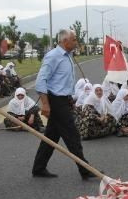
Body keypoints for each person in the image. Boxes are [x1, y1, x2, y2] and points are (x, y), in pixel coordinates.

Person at [32, 29, 94, 180]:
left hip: (63, 100)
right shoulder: (53, 56)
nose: (76, 42)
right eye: (74, 39)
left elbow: (63, 82)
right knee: (72, 135)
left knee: (51, 136)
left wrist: (69, 100)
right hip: (55, 101)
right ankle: (85, 170)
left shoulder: (67, 56)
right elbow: (40, 81)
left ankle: (38, 168)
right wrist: (45, 104)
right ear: (64, 41)